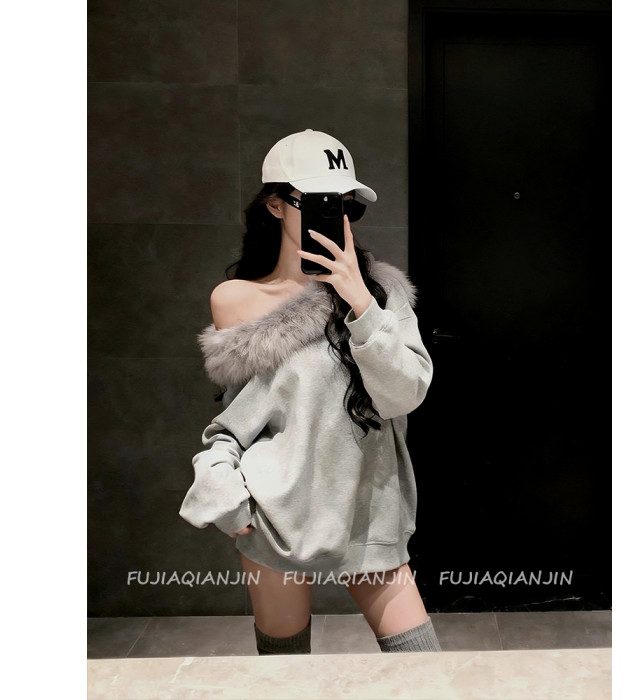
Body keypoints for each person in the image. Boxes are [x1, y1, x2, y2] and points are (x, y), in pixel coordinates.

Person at [179, 128, 441, 655]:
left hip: (370, 510)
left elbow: (405, 394)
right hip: (278, 517)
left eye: (348, 204)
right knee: (285, 677)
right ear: (275, 205)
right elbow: (242, 416)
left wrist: (358, 299)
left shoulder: (381, 290)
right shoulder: (236, 299)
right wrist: (229, 495)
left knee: (422, 673)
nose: (337, 215)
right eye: (322, 202)